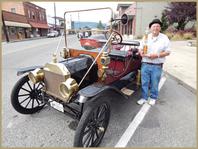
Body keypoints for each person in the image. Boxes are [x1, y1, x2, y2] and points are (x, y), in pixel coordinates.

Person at [137, 19, 171, 106]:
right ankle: (144, 98)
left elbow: (168, 52)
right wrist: (140, 52)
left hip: (157, 65)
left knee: (155, 83)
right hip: (145, 63)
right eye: (154, 26)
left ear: (160, 28)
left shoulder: (164, 38)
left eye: (157, 26)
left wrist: (157, 55)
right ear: (150, 28)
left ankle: (153, 97)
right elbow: (140, 48)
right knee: (144, 82)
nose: (155, 28)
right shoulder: (146, 37)